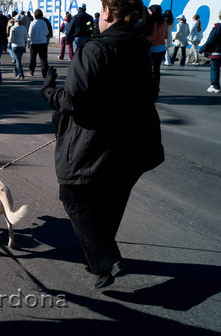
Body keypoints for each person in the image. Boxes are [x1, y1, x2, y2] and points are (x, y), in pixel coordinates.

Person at [41, 0, 164, 289]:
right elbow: (149, 91)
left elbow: (73, 100)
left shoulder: (95, 49)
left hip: (98, 140)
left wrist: (49, 91)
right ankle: (97, 258)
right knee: (111, 197)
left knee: (72, 194)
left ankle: (105, 259)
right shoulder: (138, 46)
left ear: (107, 12)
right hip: (135, 141)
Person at [145, 4, 167, 92]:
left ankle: (151, 89)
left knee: (150, 71)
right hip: (162, 48)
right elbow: (166, 35)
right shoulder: (164, 21)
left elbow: (152, 37)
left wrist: (143, 37)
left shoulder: (154, 22)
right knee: (157, 71)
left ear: (153, 12)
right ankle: (156, 88)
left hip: (154, 49)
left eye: (149, 11)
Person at [199, 10, 221, 93]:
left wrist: (203, 48)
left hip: (217, 51)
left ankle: (215, 85)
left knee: (215, 69)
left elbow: (211, 40)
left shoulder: (218, 27)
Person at [27, 9, 49, 78]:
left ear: (35, 15)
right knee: (43, 59)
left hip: (34, 43)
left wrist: (28, 42)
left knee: (33, 58)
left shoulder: (33, 23)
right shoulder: (44, 23)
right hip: (43, 42)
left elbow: (30, 34)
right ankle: (44, 73)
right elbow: (47, 32)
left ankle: (31, 71)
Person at [9, 14, 28, 79]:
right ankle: (16, 72)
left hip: (15, 46)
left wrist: (10, 41)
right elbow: (26, 38)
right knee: (18, 59)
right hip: (22, 46)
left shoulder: (13, 28)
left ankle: (21, 74)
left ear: (15, 20)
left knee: (18, 60)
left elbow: (11, 39)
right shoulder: (24, 28)